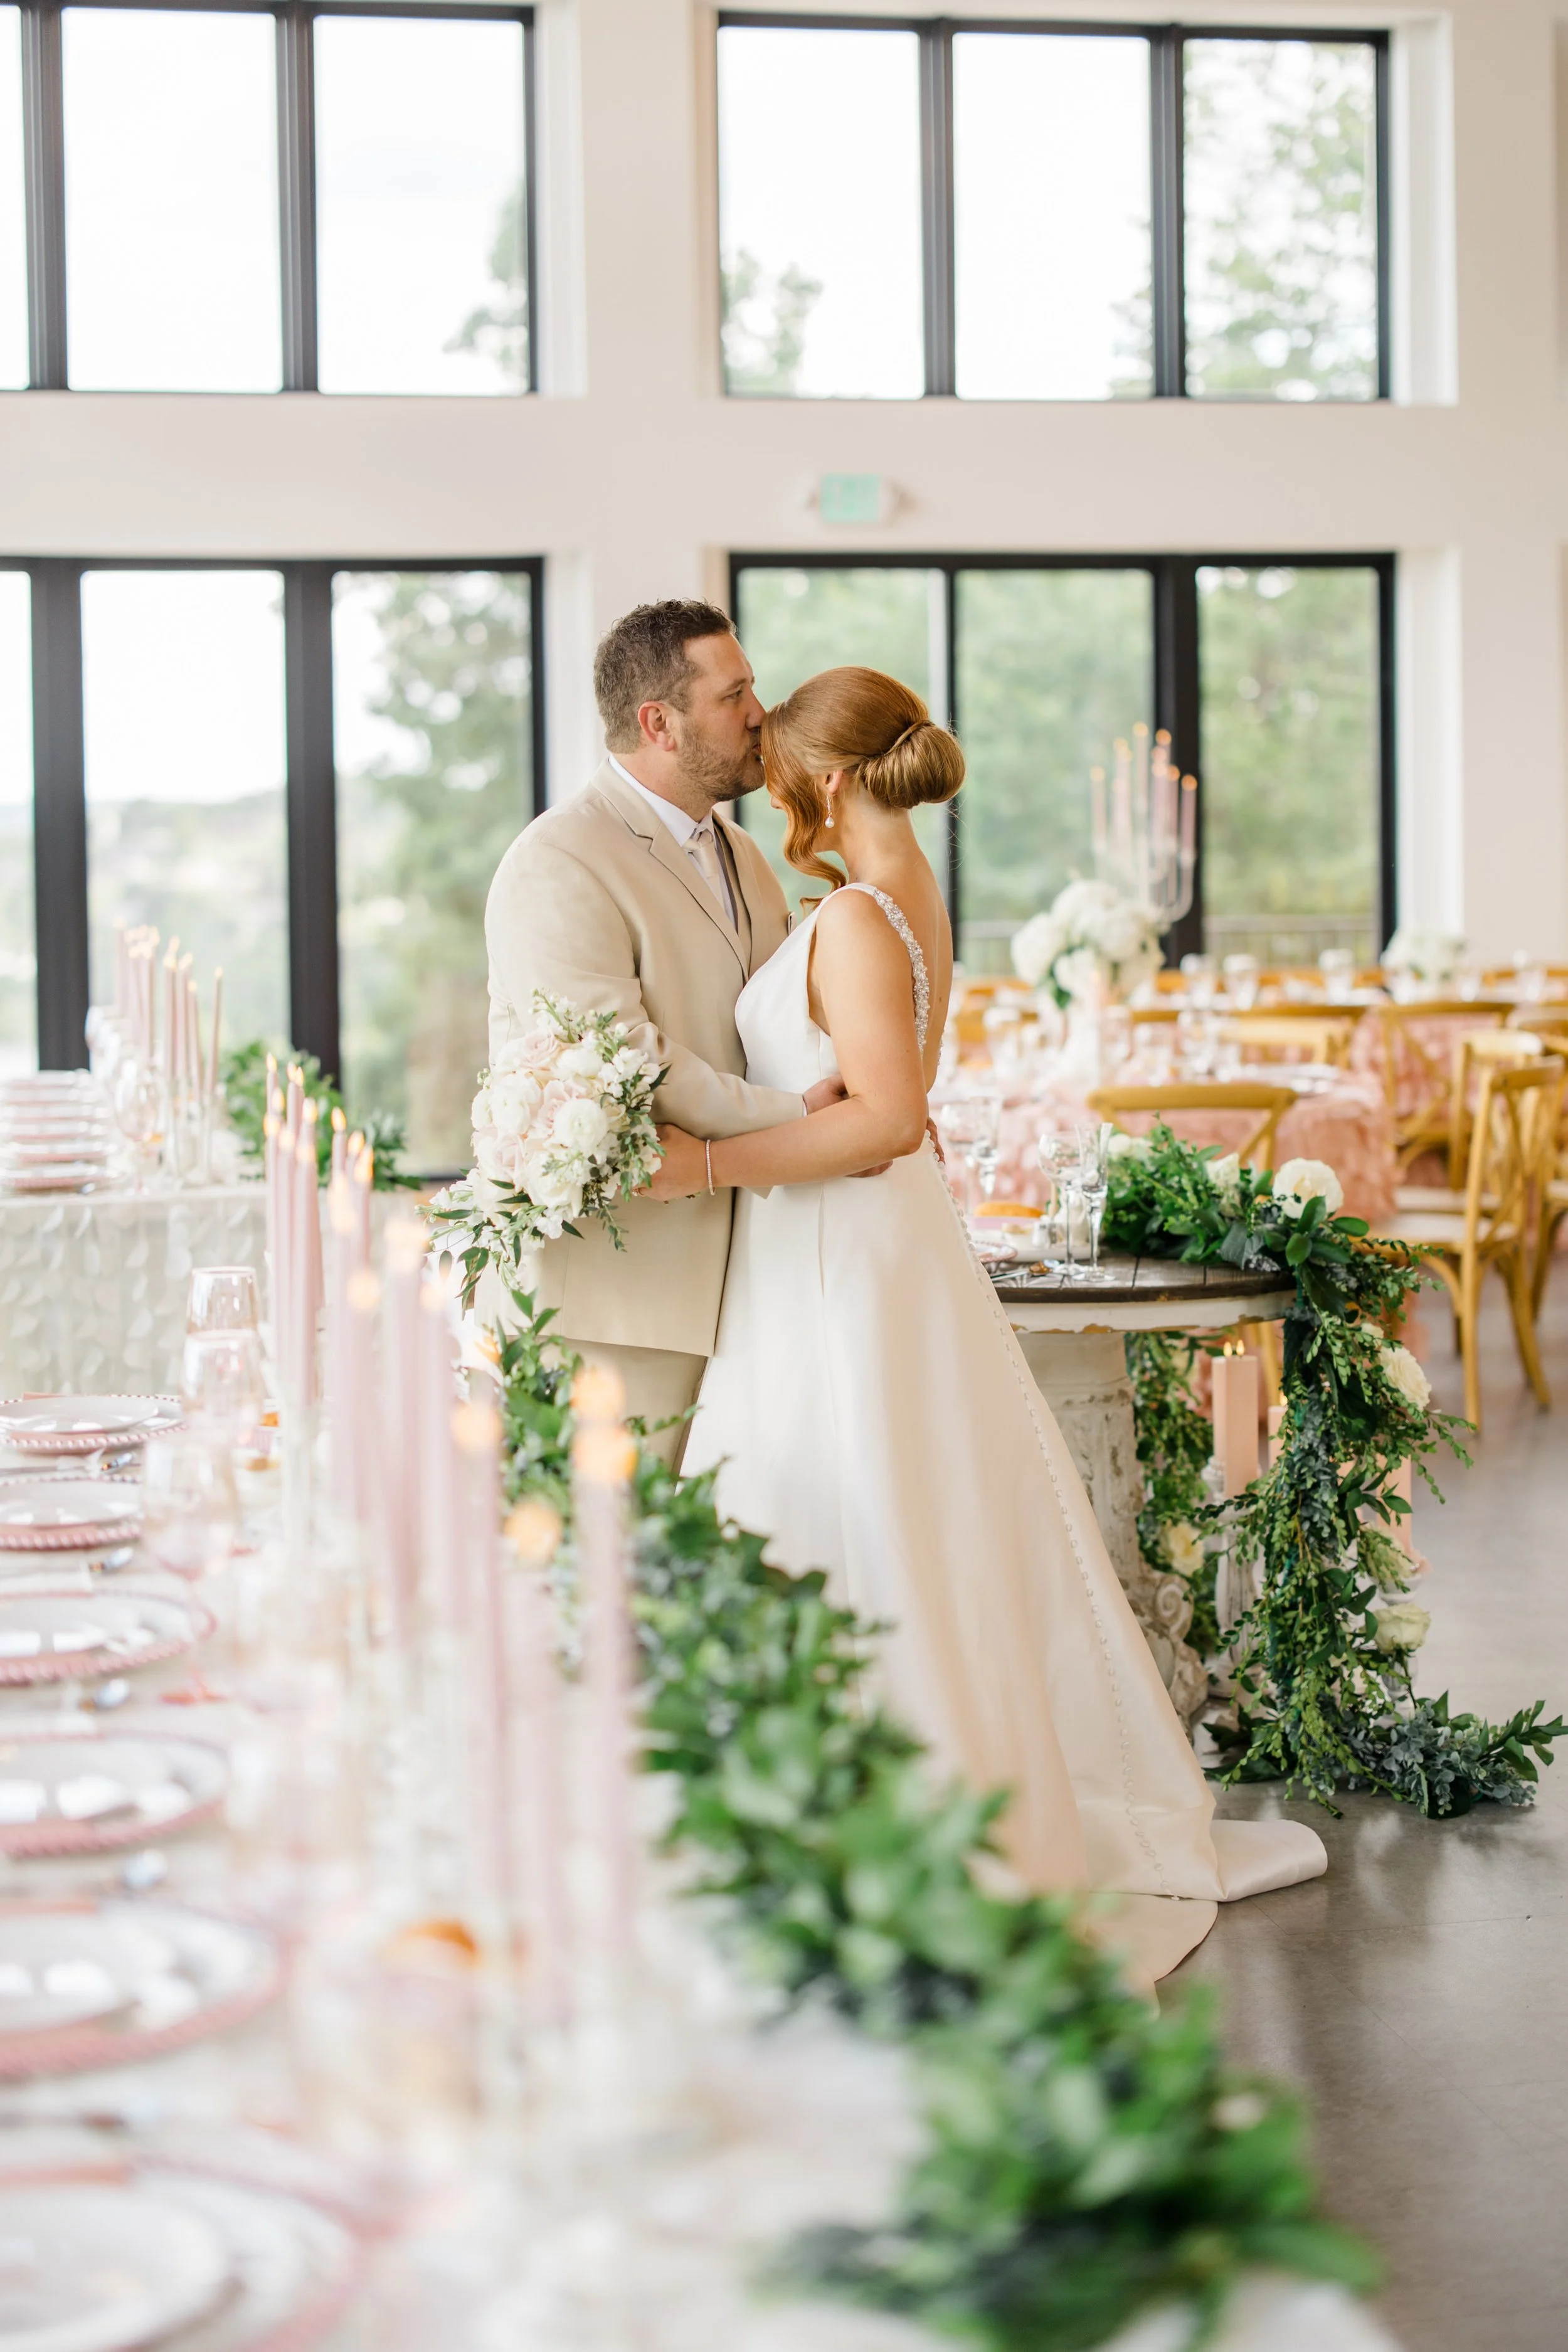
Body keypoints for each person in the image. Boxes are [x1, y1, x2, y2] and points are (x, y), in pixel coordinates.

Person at [656, 664, 1325, 1981]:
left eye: (785, 760)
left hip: (841, 1246)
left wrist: (706, 1166)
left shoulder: (852, 914)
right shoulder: (903, 899)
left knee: (859, 1501)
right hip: (861, 1243)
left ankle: (876, 1820)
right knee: (894, 1507)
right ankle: (893, 1797)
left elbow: (887, 1120)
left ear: (829, 781)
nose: (772, 779)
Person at [484, 599, 846, 1465]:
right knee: (619, 1571)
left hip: (748, 1281)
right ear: (661, 722)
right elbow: (624, 1059)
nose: (762, 711)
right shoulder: (559, 859)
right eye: (735, 694)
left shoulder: (745, 855)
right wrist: (801, 1117)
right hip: (618, 1299)